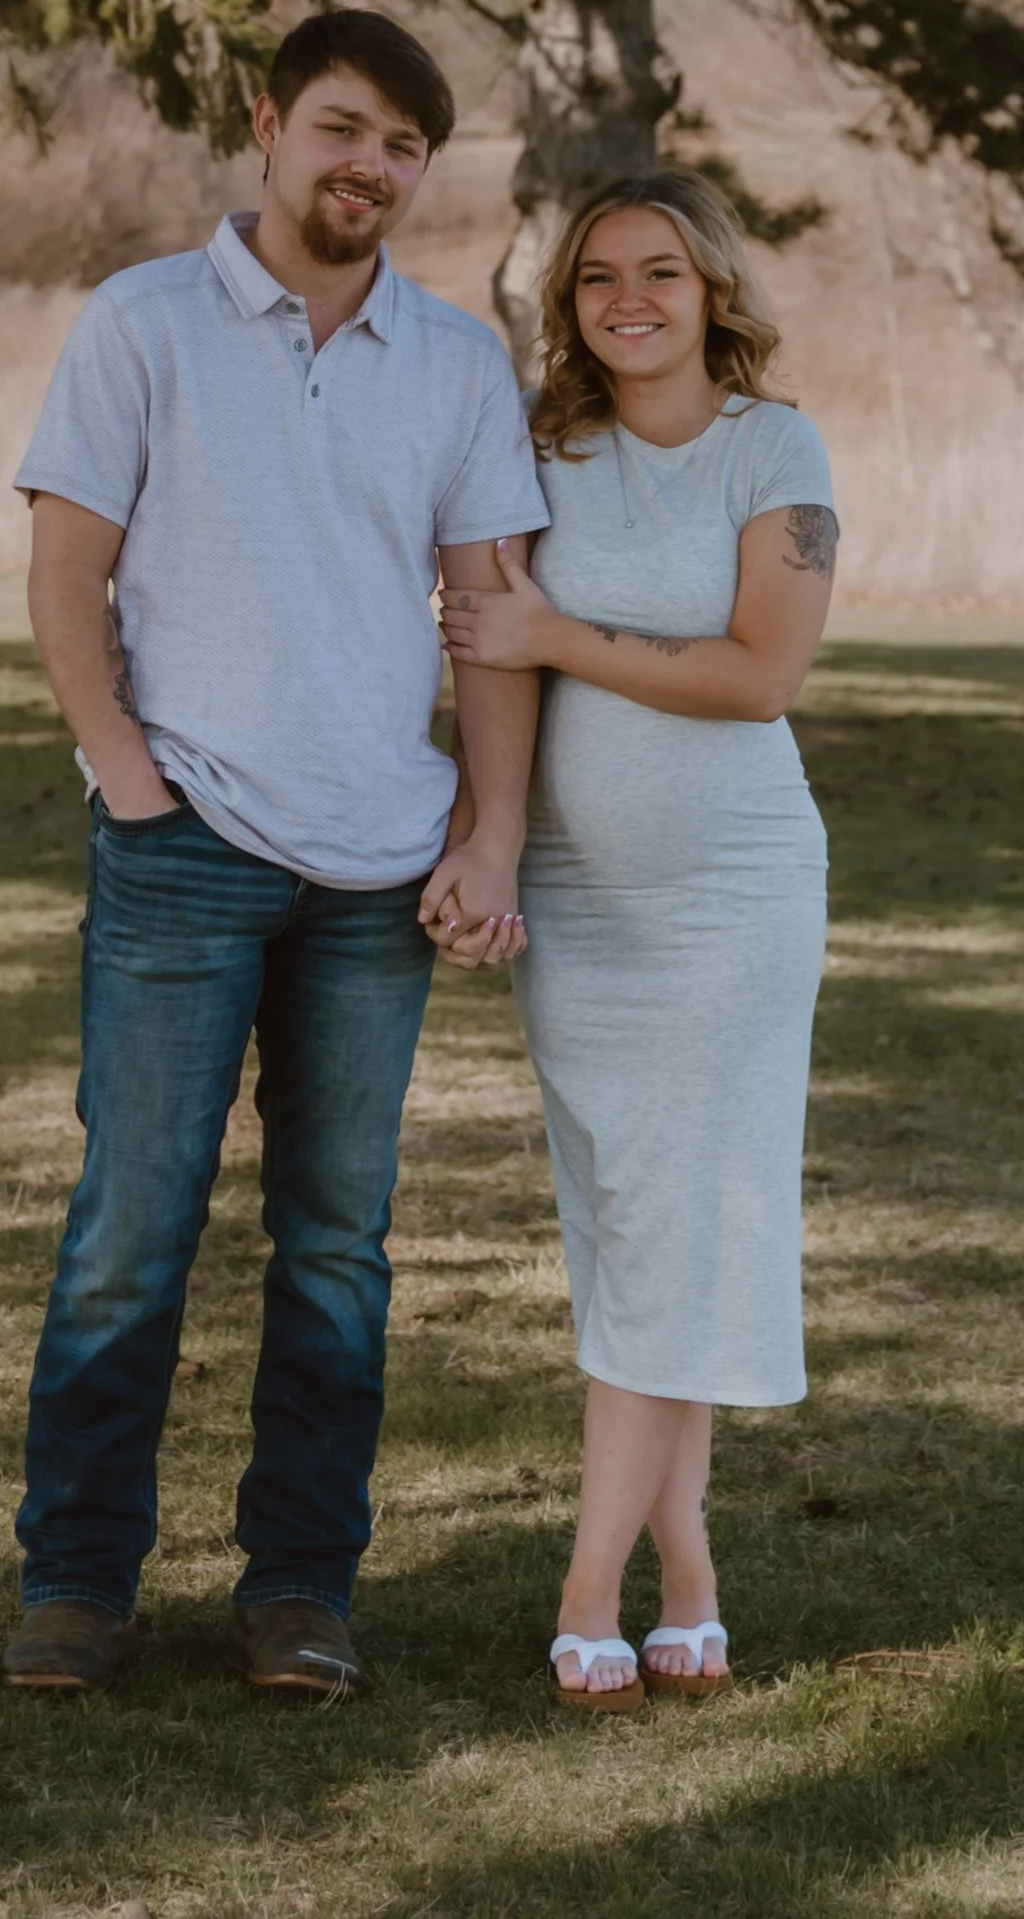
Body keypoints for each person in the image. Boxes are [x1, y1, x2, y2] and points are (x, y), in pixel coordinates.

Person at [0, 8, 545, 1704]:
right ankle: (79, 1584)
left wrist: (491, 823)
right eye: (343, 126)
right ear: (268, 125)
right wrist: (129, 781)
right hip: (184, 847)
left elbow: (492, 617)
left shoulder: (457, 363)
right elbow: (68, 574)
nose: (369, 164)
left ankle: (300, 1587)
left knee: (335, 1242)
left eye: (402, 146)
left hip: (378, 867)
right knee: (129, 1231)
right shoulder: (143, 322)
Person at [432, 167, 837, 1704]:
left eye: (659, 271)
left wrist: (556, 634)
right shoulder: (541, 449)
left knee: (674, 1221)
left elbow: (761, 674)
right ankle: (694, 1575)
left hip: (731, 897)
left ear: (711, 286)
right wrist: (490, 833)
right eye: (599, 278)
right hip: (583, 908)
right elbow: (490, 658)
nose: (629, 300)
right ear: (571, 303)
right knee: (631, 1227)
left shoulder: (773, 448)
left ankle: (588, 1584)